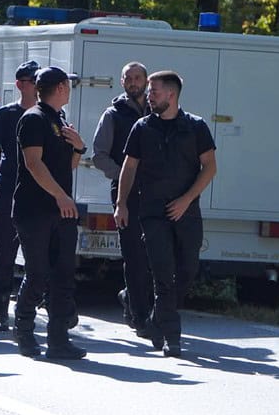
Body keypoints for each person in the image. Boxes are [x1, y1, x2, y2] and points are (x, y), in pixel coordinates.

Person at [115, 70, 216, 357]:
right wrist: (121, 203)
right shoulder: (142, 127)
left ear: (171, 94)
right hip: (153, 212)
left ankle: (155, 320)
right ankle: (173, 338)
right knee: (163, 275)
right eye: (149, 91)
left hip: (186, 211)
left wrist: (186, 200)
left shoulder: (196, 127)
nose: (149, 96)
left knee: (187, 270)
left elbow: (210, 167)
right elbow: (129, 167)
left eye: (154, 91)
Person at [13, 66, 87, 360]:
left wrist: (79, 149)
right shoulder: (33, 118)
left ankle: (58, 340)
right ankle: (24, 332)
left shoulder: (60, 120)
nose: (70, 89)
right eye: (67, 85)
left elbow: (65, 166)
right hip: (36, 209)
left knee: (63, 275)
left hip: (61, 210)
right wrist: (60, 196)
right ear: (58, 88)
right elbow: (33, 163)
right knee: (37, 273)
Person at [92, 61, 153, 334]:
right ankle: (140, 317)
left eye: (137, 77)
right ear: (122, 82)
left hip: (156, 193)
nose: (133, 82)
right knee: (134, 255)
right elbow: (99, 155)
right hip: (125, 194)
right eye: (128, 78)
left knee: (156, 255)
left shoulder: (160, 112)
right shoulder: (113, 114)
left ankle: (133, 299)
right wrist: (124, 176)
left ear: (147, 80)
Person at [0, 60, 39, 330]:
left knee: (40, 256)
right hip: (9, 194)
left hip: (39, 196)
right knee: (4, 255)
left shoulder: (48, 115)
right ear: (20, 85)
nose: (37, 86)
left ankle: (31, 308)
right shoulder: (5, 115)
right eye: (31, 81)